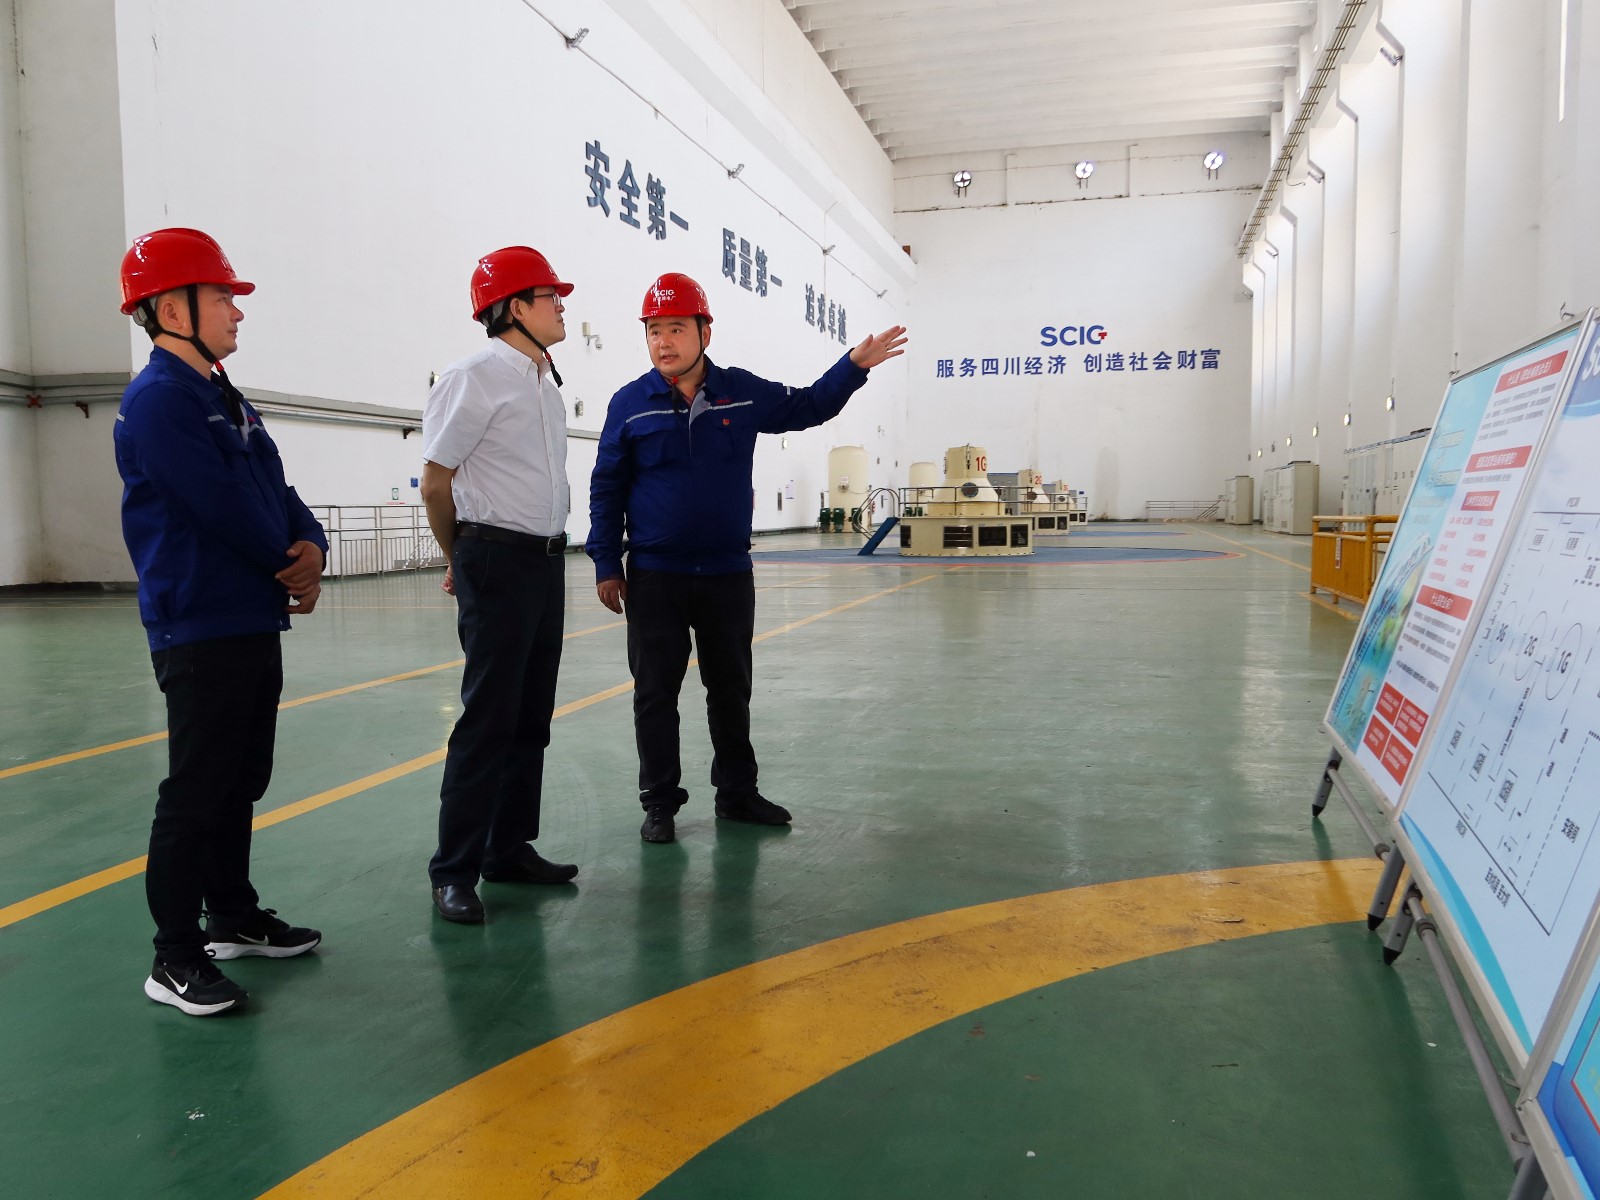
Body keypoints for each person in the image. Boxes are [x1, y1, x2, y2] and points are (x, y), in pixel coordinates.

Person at [587, 272, 907, 843]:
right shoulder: (629, 404)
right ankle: (659, 803)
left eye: (676, 328)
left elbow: (808, 405)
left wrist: (853, 366)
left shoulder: (740, 391)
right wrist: (607, 563)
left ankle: (737, 793)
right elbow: (606, 487)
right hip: (656, 576)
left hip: (727, 574)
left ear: (704, 332)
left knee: (730, 689)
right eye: (654, 330)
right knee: (654, 693)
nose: (663, 342)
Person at [114, 228, 328, 1017]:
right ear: (173, 310)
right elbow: (218, 505)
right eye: (222, 298)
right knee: (197, 790)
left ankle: (231, 916)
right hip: (199, 620)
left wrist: (313, 543)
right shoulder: (161, 401)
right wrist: (287, 559)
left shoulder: (221, 396)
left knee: (240, 778)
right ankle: (174, 955)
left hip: (248, 615)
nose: (237, 312)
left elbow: (275, 487)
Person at [420, 246, 579, 925]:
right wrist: (458, 556)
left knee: (530, 715)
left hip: (545, 562)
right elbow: (436, 482)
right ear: (515, 307)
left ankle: (508, 848)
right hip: (496, 558)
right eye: (550, 296)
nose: (561, 307)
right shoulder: (473, 378)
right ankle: (453, 871)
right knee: (487, 718)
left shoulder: (544, 384)